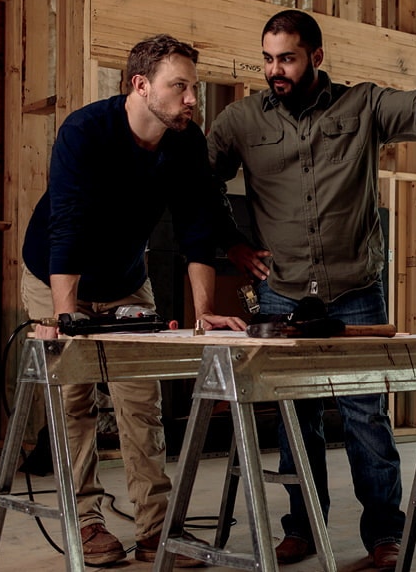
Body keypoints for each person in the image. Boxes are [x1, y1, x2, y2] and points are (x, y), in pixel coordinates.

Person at [208, 9, 416, 570]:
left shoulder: (360, 105)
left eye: (287, 58)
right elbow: (200, 181)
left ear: (316, 57)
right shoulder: (241, 120)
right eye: (268, 59)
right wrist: (232, 244)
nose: (276, 70)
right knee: (297, 421)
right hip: (283, 291)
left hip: (355, 290)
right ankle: (304, 527)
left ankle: (384, 538)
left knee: (367, 417)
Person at [21, 34, 249, 567]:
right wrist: (66, 316)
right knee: (75, 402)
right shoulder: (85, 131)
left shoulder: (185, 141)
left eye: (194, 87)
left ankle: (157, 530)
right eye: (180, 87)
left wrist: (203, 312)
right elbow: (67, 226)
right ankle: (87, 523)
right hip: (56, 274)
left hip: (126, 279)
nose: (193, 99)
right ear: (140, 85)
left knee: (139, 403)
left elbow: (197, 228)